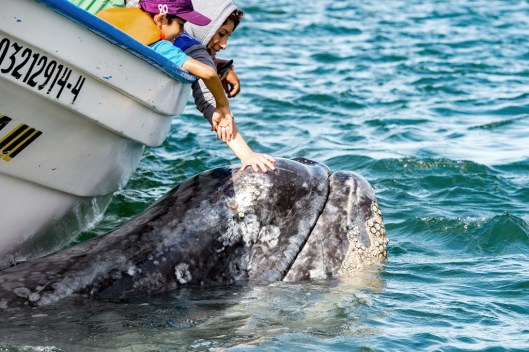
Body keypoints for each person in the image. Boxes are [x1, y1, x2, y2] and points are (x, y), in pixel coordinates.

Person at [97, 0, 235, 142]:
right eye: (181, 25)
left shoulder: (115, 17)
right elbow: (208, 73)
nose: (182, 32)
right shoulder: (160, 46)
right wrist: (222, 106)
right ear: (161, 18)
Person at [173, 0, 276, 173]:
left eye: (227, 36)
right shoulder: (194, 49)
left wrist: (221, 65)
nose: (224, 44)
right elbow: (214, 106)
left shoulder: (159, 21)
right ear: (205, 26)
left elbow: (209, 98)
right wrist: (247, 155)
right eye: (221, 33)